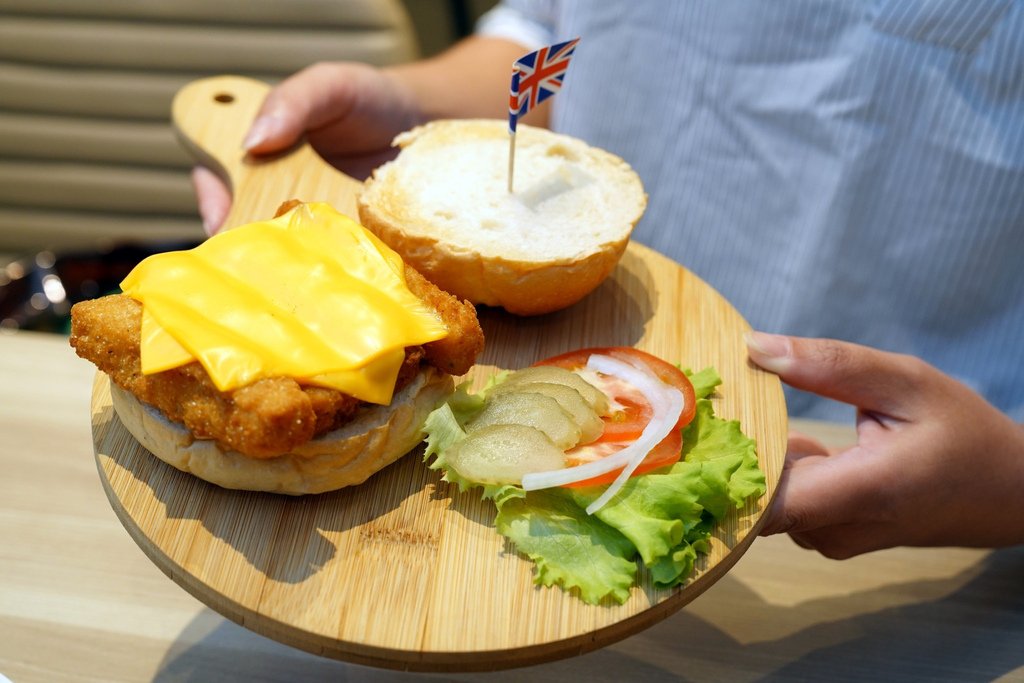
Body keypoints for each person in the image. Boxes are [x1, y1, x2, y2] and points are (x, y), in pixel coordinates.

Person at [192, 0, 1024, 559]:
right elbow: (552, 32)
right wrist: (406, 101)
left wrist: (1006, 484)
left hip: (930, 492)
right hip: (573, 364)